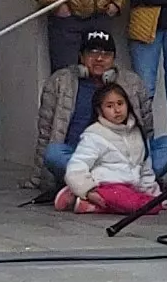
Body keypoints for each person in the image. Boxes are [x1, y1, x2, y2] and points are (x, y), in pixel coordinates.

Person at [35, 29, 143, 193]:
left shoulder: (132, 82)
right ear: (81, 57)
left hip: (120, 160)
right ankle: (106, 187)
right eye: (93, 53)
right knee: (54, 153)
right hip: (77, 157)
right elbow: (45, 133)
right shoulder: (60, 81)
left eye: (106, 54)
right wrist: (38, 178)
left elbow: (146, 130)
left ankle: (89, 188)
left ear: (113, 59)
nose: (99, 59)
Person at [57, 79, 159, 215]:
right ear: (100, 110)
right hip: (104, 186)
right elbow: (77, 166)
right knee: (136, 206)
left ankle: (90, 205)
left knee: (154, 205)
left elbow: (145, 169)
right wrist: (88, 191)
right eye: (109, 106)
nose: (117, 110)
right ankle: (85, 197)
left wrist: (155, 194)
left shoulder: (138, 132)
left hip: (130, 188)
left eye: (120, 104)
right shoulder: (94, 134)